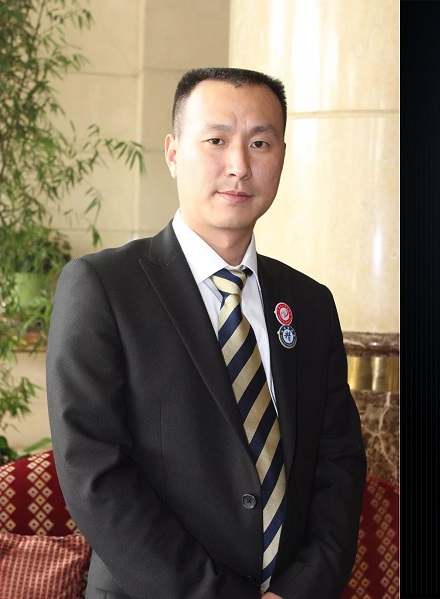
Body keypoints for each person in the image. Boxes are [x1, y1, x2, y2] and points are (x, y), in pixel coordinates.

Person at [46, 67, 366, 599]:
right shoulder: (103, 288)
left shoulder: (310, 303)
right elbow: (94, 473)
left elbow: (339, 462)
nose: (239, 165)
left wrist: (302, 589)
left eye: (260, 143)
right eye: (216, 140)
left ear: (282, 156)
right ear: (173, 152)